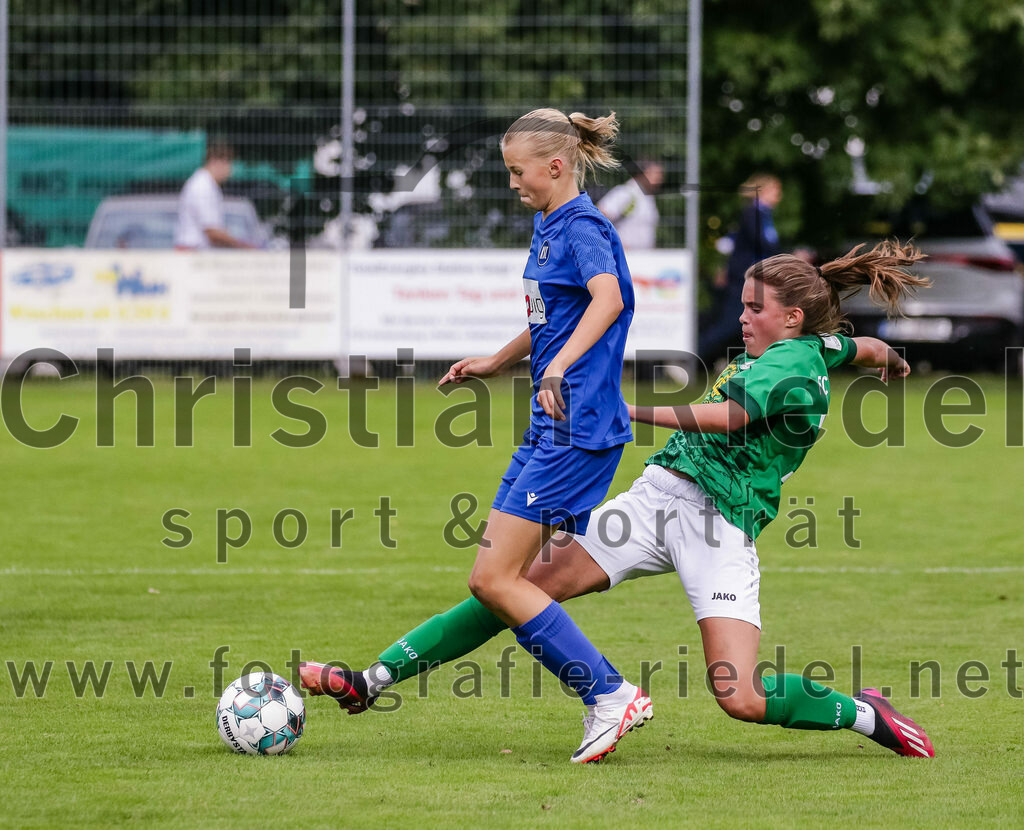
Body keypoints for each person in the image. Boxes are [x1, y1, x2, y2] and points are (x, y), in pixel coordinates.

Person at [301, 240, 938, 761]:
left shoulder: (792, 364)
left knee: (740, 697)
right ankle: (371, 679)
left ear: (791, 318)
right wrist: (885, 357)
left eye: (753, 308)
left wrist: (625, 408)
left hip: (720, 526)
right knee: (510, 585)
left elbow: (728, 416)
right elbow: (856, 345)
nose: (741, 317)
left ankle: (862, 712)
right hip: (656, 498)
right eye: (742, 305)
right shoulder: (814, 347)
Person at [302, 108, 651, 764]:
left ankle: (610, 694)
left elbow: (607, 301)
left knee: (496, 579)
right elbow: (557, 312)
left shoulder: (584, 227)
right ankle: (375, 680)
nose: (512, 182)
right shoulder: (548, 225)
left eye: (518, 172)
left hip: (579, 430)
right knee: (498, 584)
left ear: (555, 166)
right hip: (550, 426)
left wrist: (559, 364)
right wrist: (501, 357)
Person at [699, 173, 782, 363]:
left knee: (749, 323)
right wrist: (789, 255)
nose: (779, 195)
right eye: (776, 190)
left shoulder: (763, 214)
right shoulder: (752, 213)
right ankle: (691, 357)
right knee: (729, 324)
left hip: (756, 279)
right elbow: (763, 244)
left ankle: (739, 362)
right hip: (744, 279)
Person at [173, 143, 253, 250]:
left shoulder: (206, 184)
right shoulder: (203, 187)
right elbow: (211, 232)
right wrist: (243, 246)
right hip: (192, 252)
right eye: (229, 164)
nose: (230, 171)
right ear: (215, 161)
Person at [597, 159, 663, 249]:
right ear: (641, 174)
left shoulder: (648, 197)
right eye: (654, 174)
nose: (659, 179)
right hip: (626, 257)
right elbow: (598, 218)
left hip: (645, 257)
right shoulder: (626, 192)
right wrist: (614, 244)